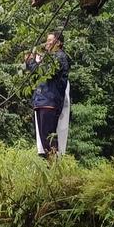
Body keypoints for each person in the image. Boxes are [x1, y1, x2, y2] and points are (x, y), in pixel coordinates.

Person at [26, 30, 70, 159]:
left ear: (59, 43)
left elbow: (45, 72)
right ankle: (49, 165)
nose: (47, 43)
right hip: (42, 100)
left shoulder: (60, 57)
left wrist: (31, 62)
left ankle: (54, 165)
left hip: (49, 101)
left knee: (48, 136)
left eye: (50, 40)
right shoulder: (49, 58)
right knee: (44, 137)